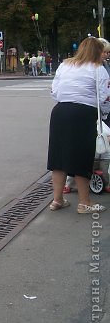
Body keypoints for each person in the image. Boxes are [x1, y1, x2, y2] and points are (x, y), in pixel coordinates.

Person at [47, 37, 109, 214]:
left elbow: (55, 91)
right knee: (82, 157)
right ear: (97, 52)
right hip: (83, 114)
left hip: (60, 112)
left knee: (58, 157)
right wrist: (103, 115)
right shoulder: (98, 69)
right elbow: (104, 98)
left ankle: (57, 199)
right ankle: (85, 203)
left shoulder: (65, 65)